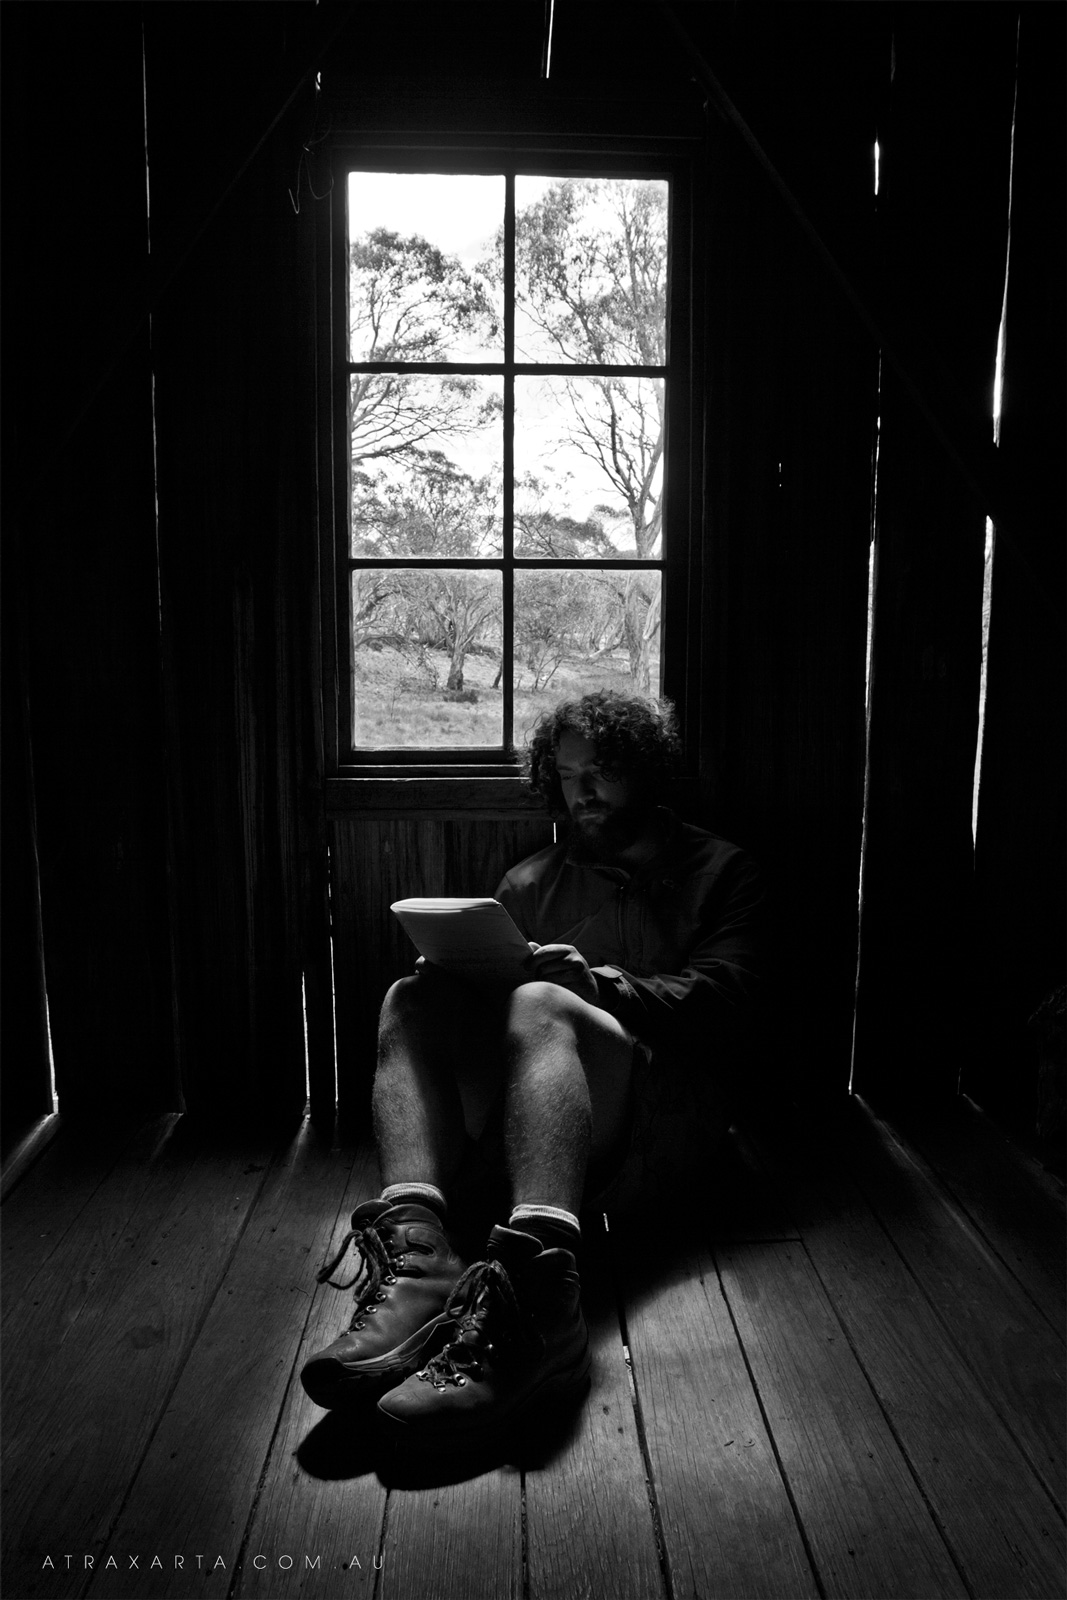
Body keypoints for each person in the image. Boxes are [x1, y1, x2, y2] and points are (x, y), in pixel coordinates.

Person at [300, 690, 763, 1447]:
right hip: (544, 1137)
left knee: (545, 1002)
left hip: (668, 1124)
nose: (582, 793)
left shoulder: (723, 871)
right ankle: (420, 1257)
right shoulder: (529, 883)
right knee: (411, 996)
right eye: (567, 774)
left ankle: (542, 1300)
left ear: (645, 772)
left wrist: (602, 987)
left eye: (602, 772)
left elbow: (731, 1000)